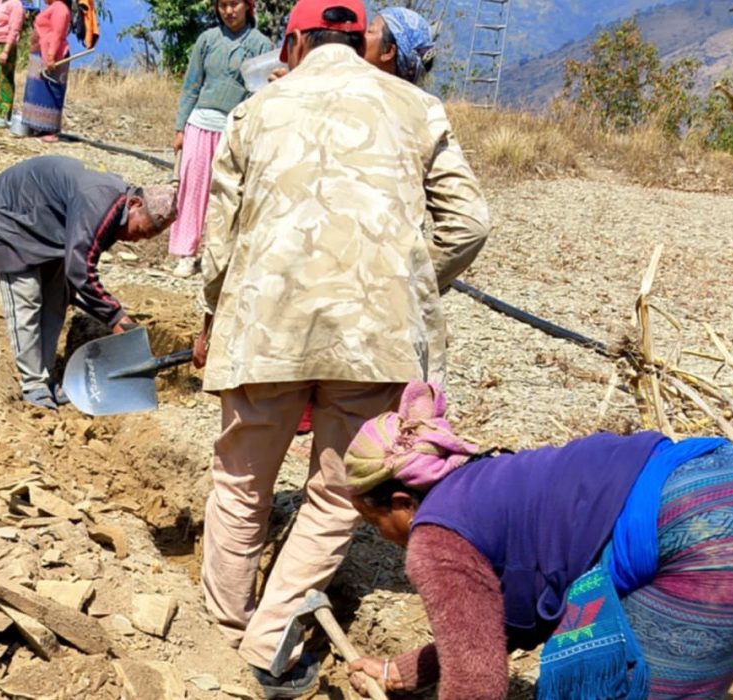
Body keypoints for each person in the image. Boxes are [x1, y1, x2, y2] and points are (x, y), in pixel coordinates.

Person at [189, 0, 489, 696]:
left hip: (264, 328)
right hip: (372, 338)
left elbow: (218, 241)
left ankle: (220, 634)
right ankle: (267, 646)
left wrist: (213, 313)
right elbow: (470, 223)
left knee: (240, 483)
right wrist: (409, 286)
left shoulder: (254, 110)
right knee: (333, 494)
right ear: (360, 42)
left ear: (292, 42)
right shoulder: (416, 107)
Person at [338, 381, 733, 700]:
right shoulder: (491, 480)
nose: (384, 537)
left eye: (374, 523)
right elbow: (485, 632)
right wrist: (400, 670)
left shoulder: (436, 539)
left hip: (711, 534)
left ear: (402, 502)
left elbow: (476, 684)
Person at [292, 4, 438, 435]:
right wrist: (414, 273)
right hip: (378, 297)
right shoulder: (420, 109)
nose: (360, 36)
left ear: (389, 52)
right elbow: (467, 224)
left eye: (371, 31)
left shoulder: (354, 103)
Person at [0, 156, 178, 409]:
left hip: (45, 223)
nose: (137, 240)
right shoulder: (101, 203)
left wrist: (83, 294)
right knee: (26, 299)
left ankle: (46, 376)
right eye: (140, 231)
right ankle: (33, 383)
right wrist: (115, 316)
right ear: (135, 204)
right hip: (11, 213)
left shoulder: (116, 208)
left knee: (56, 300)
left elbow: (82, 260)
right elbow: (80, 269)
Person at [169, 0, 271, 279]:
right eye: (223, 5)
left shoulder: (261, 45)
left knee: (228, 193)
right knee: (192, 189)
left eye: (234, 4)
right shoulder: (207, 39)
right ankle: (186, 254)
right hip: (199, 124)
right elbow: (191, 85)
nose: (229, 11)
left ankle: (218, 256)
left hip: (233, 128)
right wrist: (180, 128)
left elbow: (258, 94)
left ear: (247, 6)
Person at [20, 0, 71, 142]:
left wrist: (50, 56)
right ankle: (36, 126)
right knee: (37, 90)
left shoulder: (60, 9)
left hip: (52, 55)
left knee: (49, 90)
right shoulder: (52, 8)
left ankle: (48, 130)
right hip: (41, 52)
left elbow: (57, 34)